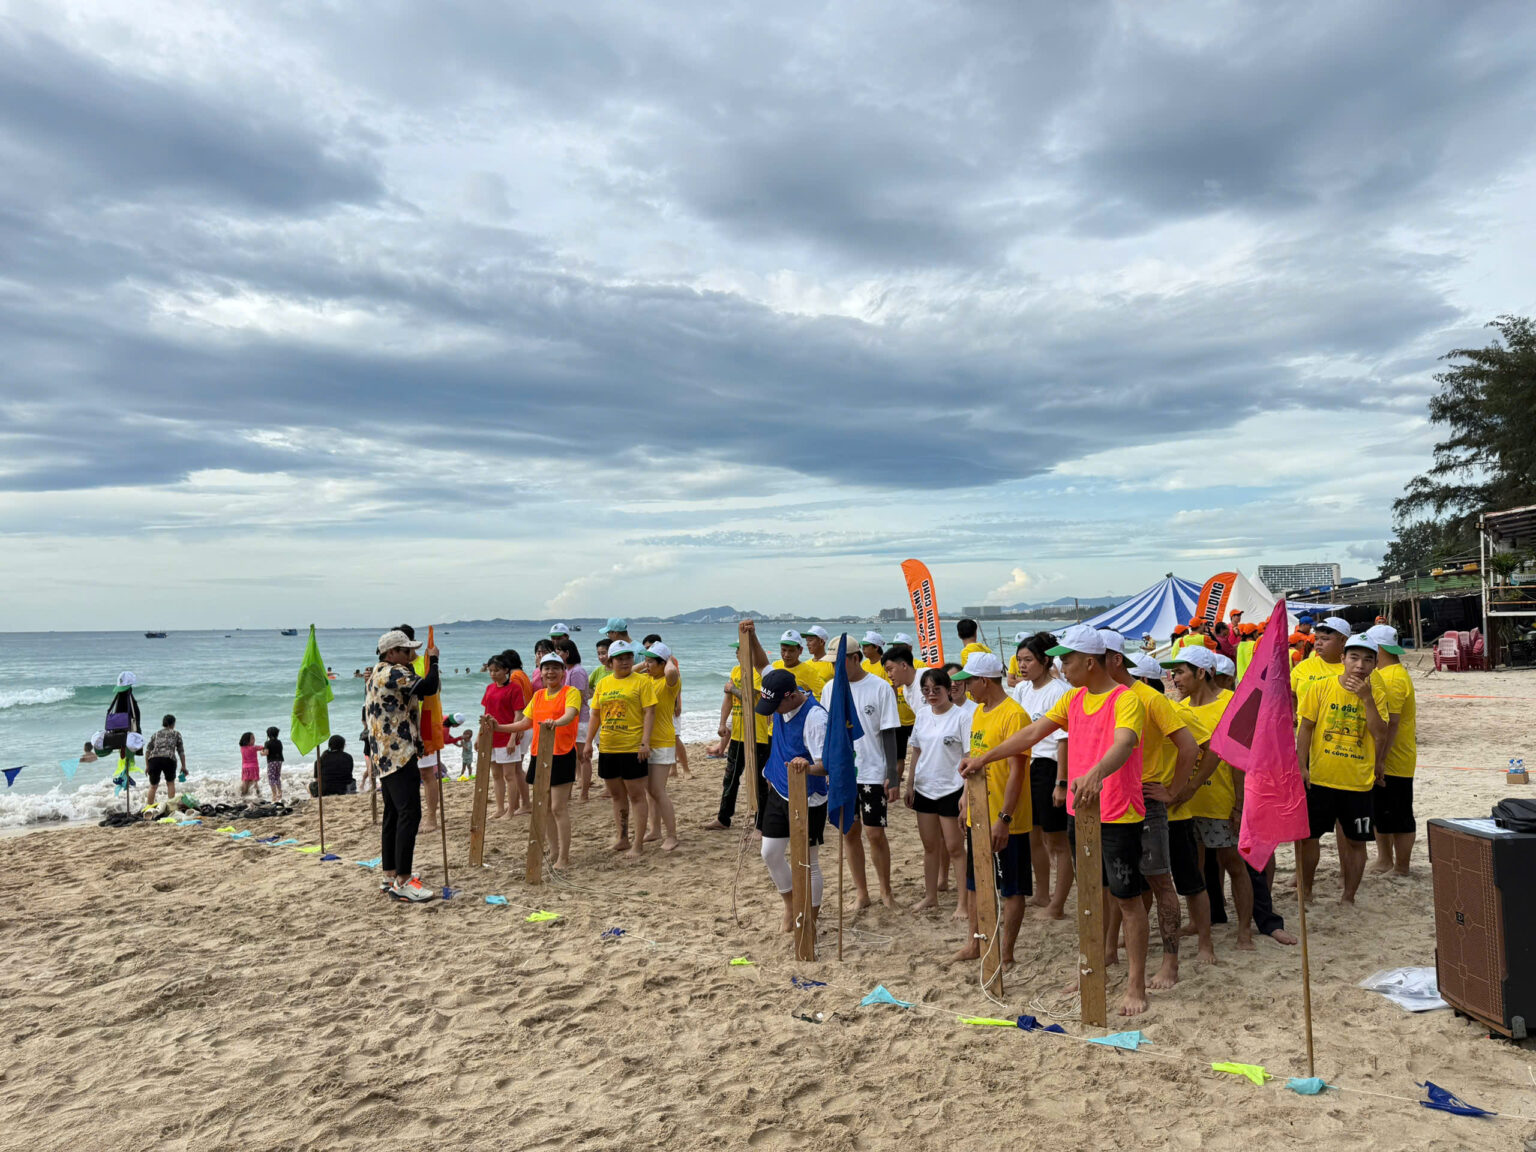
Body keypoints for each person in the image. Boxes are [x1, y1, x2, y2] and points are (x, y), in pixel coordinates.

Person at [961, 624, 1150, 1017]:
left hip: (1118, 813)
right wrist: (984, 758)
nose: (1062, 666)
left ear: (1091, 662)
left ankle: (1136, 984)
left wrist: (1097, 772)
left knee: (1127, 899)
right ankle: (1092, 967)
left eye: (1068, 659)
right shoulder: (1073, 698)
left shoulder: (1125, 698)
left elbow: (1124, 742)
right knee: (1091, 895)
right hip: (1081, 812)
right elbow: (1033, 732)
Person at [1104, 635, 1199, 987]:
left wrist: (1174, 791)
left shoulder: (1150, 698)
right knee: (1116, 884)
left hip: (1145, 798)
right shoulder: (1100, 697)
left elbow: (1189, 747)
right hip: (1111, 798)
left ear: (1114, 660)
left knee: (1160, 881)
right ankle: (1110, 951)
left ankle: (1170, 962)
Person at [1162, 645, 1254, 957]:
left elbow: (1239, 760)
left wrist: (1239, 804)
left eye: (1180, 672)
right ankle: (1198, 922)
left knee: (1233, 864)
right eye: (1173, 673)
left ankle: (1244, 930)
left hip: (1220, 799)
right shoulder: (1180, 707)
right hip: (1186, 804)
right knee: (1195, 867)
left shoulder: (1230, 703)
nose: (1175, 679)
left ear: (1201, 672)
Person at [949, 652, 1032, 968]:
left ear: (984, 680)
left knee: (1011, 887)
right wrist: (966, 798)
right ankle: (975, 943)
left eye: (969, 681)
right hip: (979, 814)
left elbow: (1017, 772)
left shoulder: (1014, 715)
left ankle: (1006, 951)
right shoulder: (979, 712)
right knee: (975, 881)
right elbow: (975, 758)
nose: (966, 688)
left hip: (1007, 818)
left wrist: (1004, 818)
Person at [1296, 634, 1389, 905]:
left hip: (1357, 783)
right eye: (1354, 657)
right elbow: (1306, 727)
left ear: (1375, 664)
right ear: (1343, 659)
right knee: (1308, 837)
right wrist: (1301, 765)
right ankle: (1306, 891)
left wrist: (1367, 699)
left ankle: (1348, 896)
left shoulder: (1377, 694)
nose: (1360, 665)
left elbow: (1380, 734)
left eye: (1368, 659)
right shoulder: (1320, 687)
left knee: (1356, 841)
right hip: (1320, 779)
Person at [822, 636, 901, 908]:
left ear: (855, 658)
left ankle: (886, 891)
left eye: (838, 662)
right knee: (849, 832)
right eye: (831, 663)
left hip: (872, 771)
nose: (834, 668)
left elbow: (889, 732)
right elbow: (828, 733)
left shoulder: (880, 687)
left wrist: (893, 774)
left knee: (874, 833)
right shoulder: (830, 689)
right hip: (843, 773)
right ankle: (861, 893)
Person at [364, 628, 441, 903]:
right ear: (391, 652)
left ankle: (390, 874)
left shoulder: (375, 673)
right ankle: (403, 880)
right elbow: (429, 687)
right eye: (407, 651)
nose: (412, 655)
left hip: (383, 753)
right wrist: (434, 660)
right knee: (409, 813)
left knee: (393, 814)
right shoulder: (393, 672)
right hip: (398, 752)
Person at [752, 663, 829, 935]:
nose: (773, 712)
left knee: (808, 862)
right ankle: (790, 904)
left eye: (776, 706)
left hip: (808, 797)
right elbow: (761, 663)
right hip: (778, 789)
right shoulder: (779, 689)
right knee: (770, 853)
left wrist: (806, 767)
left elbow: (826, 765)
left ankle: (810, 920)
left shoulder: (815, 718)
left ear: (791, 695)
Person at [1007, 633, 1073, 920]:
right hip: (1027, 765)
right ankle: (1042, 893)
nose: (1022, 666)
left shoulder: (1059, 691)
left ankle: (1058, 904)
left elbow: (1064, 740)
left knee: (1057, 840)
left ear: (1045, 660)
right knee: (1033, 834)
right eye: (1019, 660)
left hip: (1049, 766)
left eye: (1028, 660)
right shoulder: (1022, 690)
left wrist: (1061, 782)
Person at [902, 665, 969, 918]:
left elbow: (969, 756)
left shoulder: (961, 717)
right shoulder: (922, 715)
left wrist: (965, 794)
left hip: (951, 788)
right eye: (926, 690)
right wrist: (909, 783)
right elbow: (916, 751)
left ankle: (963, 903)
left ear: (948, 689)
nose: (931, 694)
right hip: (925, 788)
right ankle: (931, 897)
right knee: (930, 847)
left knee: (955, 848)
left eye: (936, 689)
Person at [507, 653, 582, 870]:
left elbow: (570, 714)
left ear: (563, 672)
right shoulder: (538, 695)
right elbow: (525, 723)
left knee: (558, 807)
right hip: (539, 754)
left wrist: (555, 723)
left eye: (555, 668)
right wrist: (499, 727)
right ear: (540, 672)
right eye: (546, 668)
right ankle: (554, 850)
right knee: (544, 807)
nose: (550, 672)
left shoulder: (571, 692)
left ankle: (564, 857)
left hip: (562, 754)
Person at [584, 640, 656, 859]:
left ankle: (638, 843)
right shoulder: (603, 684)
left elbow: (649, 712)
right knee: (617, 795)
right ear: (610, 662)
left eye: (628, 657)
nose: (625, 662)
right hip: (608, 747)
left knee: (636, 795)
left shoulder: (642, 681)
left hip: (633, 747)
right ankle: (622, 837)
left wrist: (645, 742)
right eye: (620, 658)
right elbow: (595, 714)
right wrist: (588, 742)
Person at [1365, 624, 1417, 875]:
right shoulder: (1384, 673)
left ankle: (1401, 866)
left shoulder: (1393, 678)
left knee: (1400, 815)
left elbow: (1391, 723)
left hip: (1395, 758)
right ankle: (1385, 859)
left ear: (1379, 648)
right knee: (1381, 812)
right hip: (1386, 755)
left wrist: (1381, 759)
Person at [705, 641, 772, 831]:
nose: (737, 653)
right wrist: (722, 723)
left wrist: (731, 688)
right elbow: (728, 699)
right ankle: (723, 818)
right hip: (737, 735)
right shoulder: (735, 671)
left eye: (740, 650)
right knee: (731, 777)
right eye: (736, 651)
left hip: (758, 736)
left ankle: (760, 824)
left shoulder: (759, 673)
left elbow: (749, 696)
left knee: (759, 781)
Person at [640, 642, 682, 851]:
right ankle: (655, 830)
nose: (646, 665)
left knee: (658, 790)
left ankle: (672, 835)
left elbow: (672, 671)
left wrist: (668, 658)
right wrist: (647, 662)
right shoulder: (647, 679)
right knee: (649, 791)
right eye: (645, 661)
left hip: (663, 742)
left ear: (662, 663)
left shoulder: (669, 682)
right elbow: (627, 672)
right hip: (646, 741)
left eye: (650, 662)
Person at [480, 653, 528, 820]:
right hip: (491, 737)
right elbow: (486, 713)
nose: (493, 674)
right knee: (496, 774)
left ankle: (511, 810)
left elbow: (518, 715)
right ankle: (500, 808)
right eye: (491, 671)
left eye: (497, 670)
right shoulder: (489, 688)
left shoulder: (514, 688)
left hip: (507, 736)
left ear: (506, 670)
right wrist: (480, 736)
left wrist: (512, 738)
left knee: (509, 775)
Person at [554, 639, 593, 800]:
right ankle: (569, 793)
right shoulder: (567, 671)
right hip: (570, 720)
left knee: (583, 757)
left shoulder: (577, 671)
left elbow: (578, 696)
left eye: (558, 651)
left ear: (567, 653)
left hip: (580, 719)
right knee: (572, 757)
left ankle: (584, 793)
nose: (556, 654)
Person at [1290, 615, 1352, 706]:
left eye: (1324, 639)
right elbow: (1291, 695)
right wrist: (1294, 712)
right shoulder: (1303, 667)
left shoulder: (1358, 670)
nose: (1318, 643)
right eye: (1316, 638)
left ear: (1343, 640)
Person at [879, 643, 923, 771]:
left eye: (890, 669)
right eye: (886, 671)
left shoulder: (926, 678)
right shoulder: (905, 690)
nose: (889, 675)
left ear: (904, 665)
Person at [773, 629, 833, 697]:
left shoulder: (808, 672)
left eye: (791, 651)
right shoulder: (775, 666)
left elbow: (826, 694)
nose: (786, 655)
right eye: (783, 650)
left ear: (800, 650)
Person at [144, 714, 186, 806]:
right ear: (173, 724)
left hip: (154, 759)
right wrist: (183, 766)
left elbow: (147, 751)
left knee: (153, 786)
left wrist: (147, 766)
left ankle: (149, 808)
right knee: (170, 783)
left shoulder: (156, 734)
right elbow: (181, 751)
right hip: (169, 759)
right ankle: (171, 806)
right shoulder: (176, 734)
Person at [263, 726, 285, 803]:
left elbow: (266, 752)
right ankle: (280, 792)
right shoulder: (279, 742)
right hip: (279, 761)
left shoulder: (267, 743)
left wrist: (261, 753)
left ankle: (274, 795)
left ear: (268, 735)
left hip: (271, 762)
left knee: (271, 777)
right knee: (277, 776)